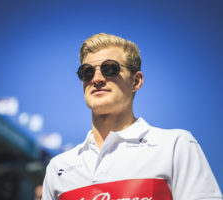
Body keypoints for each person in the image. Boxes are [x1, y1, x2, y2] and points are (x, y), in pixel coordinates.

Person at [41, 33, 222, 200]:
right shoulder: (58, 167)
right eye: (87, 71)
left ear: (136, 81)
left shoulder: (175, 146)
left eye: (109, 69)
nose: (96, 79)